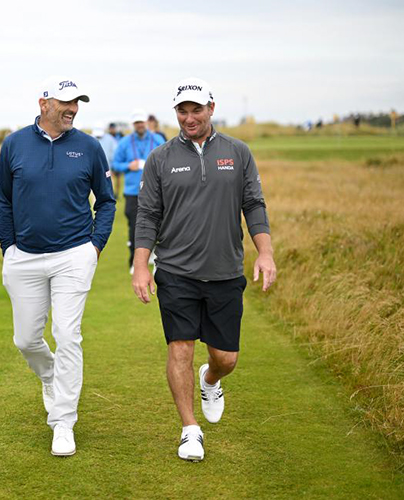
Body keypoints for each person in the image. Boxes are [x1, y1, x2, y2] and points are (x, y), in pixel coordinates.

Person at [132, 77, 276, 462]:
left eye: (197, 109)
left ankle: (209, 380)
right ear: (175, 112)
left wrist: (265, 253)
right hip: (176, 271)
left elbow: (254, 205)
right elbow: (147, 215)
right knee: (180, 346)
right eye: (183, 110)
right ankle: (189, 430)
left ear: (211, 109)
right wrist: (140, 265)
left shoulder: (238, 152)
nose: (189, 117)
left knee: (226, 358)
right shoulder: (160, 158)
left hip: (225, 271)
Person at [0, 76, 116, 457]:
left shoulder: (89, 147)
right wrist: (8, 246)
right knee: (26, 340)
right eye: (65, 102)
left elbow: (107, 201)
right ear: (43, 103)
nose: (72, 109)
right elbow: (4, 199)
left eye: (77, 102)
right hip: (24, 257)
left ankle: (63, 422)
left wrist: (94, 247)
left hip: (73, 255)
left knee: (67, 334)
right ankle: (50, 376)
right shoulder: (14, 144)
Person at [112, 109, 165, 272]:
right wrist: (129, 166)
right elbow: (115, 164)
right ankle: (135, 261)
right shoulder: (125, 142)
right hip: (133, 191)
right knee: (135, 226)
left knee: (161, 225)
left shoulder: (157, 139)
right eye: (136, 123)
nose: (139, 125)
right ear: (133, 125)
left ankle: (157, 259)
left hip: (156, 190)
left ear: (146, 123)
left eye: (141, 122)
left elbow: (168, 160)